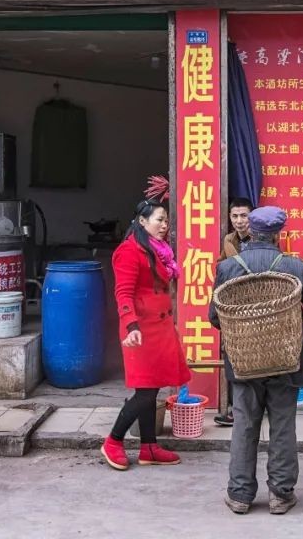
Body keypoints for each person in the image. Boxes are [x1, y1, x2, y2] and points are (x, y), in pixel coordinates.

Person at [210, 206, 303, 515]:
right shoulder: (293, 266)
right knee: (282, 426)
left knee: (244, 425)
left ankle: (240, 494)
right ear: (279, 234)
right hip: (287, 359)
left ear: (250, 231)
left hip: (244, 362)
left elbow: (215, 317)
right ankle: (281, 494)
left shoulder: (228, 267)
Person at [101, 199, 191, 471]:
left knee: (152, 389)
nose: (164, 226)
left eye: (166, 221)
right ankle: (113, 441)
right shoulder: (129, 251)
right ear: (142, 221)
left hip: (159, 327)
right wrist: (130, 325)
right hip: (140, 329)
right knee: (145, 392)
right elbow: (123, 293)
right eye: (158, 220)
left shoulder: (158, 251)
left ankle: (149, 447)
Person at [214, 197, 255, 427]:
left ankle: (255, 408)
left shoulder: (263, 237)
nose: (239, 221)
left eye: (244, 216)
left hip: (259, 307)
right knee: (233, 356)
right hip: (236, 309)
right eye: (235, 216)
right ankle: (233, 410)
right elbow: (221, 268)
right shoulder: (228, 240)